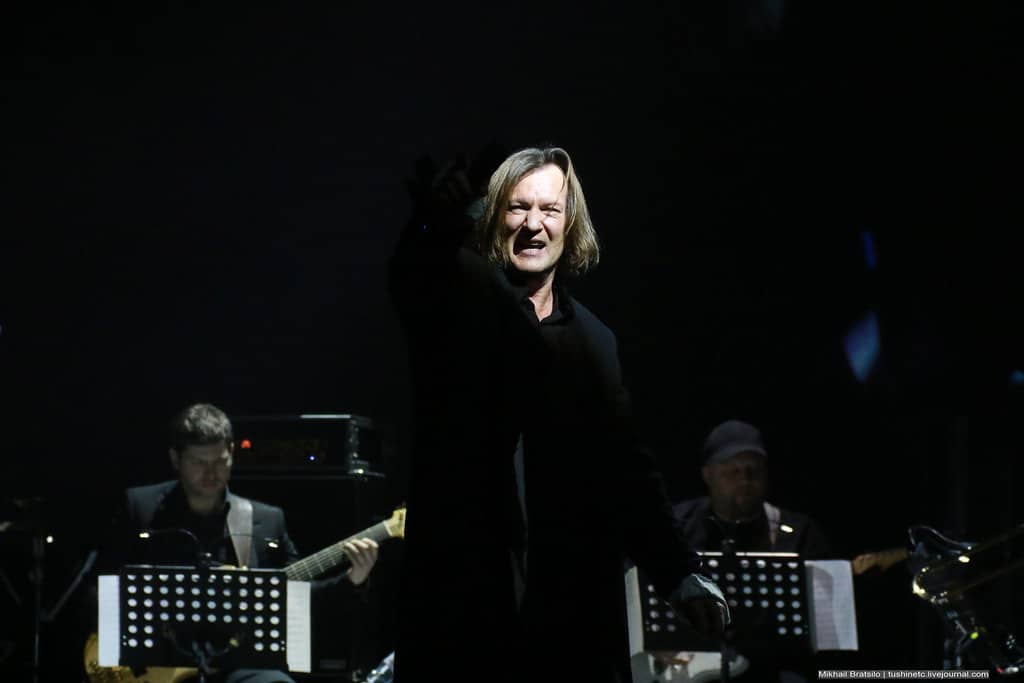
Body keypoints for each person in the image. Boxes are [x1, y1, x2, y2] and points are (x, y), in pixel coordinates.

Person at [388, 145, 727, 682]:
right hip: (465, 607)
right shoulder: (460, 304)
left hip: (570, 616)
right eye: (517, 207)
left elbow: (627, 469)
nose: (533, 225)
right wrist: (435, 223)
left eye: (549, 209)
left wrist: (680, 574)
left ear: (571, 222)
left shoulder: (595, 341)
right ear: (493, 216)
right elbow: (415, 278)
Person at [95, 403, 380, 683]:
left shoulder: (267, 520)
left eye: (220, 461)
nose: (211, 473)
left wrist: (352, 579)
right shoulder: (141, 508)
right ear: (175, 459)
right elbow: (100, 586)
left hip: (239, 665)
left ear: (232, 453)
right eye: (199, 462)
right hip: (157, 664)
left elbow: (301, 594)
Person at [669, 418, 831, 683]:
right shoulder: (678, 525)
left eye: (753, 470)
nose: (744, 479)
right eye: (732, 471)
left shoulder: (800, 533)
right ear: (708, 475)